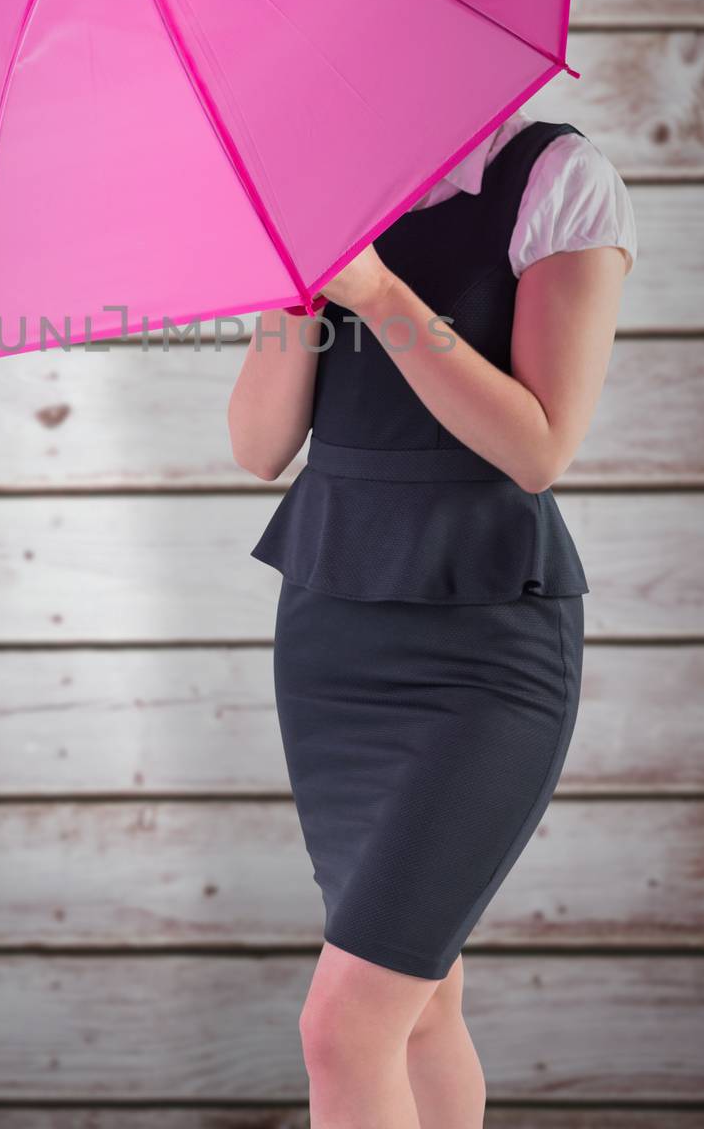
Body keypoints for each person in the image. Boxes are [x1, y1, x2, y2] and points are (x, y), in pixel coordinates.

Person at [227, 107, 637, 1128]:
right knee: (417, 1004)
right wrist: (292, 287)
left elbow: (538, 447)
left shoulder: (557, 180)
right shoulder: (323, 176)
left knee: (344, 1026)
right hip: (332, 632)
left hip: (486, 646)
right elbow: (258, 443)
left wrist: (376, 291)